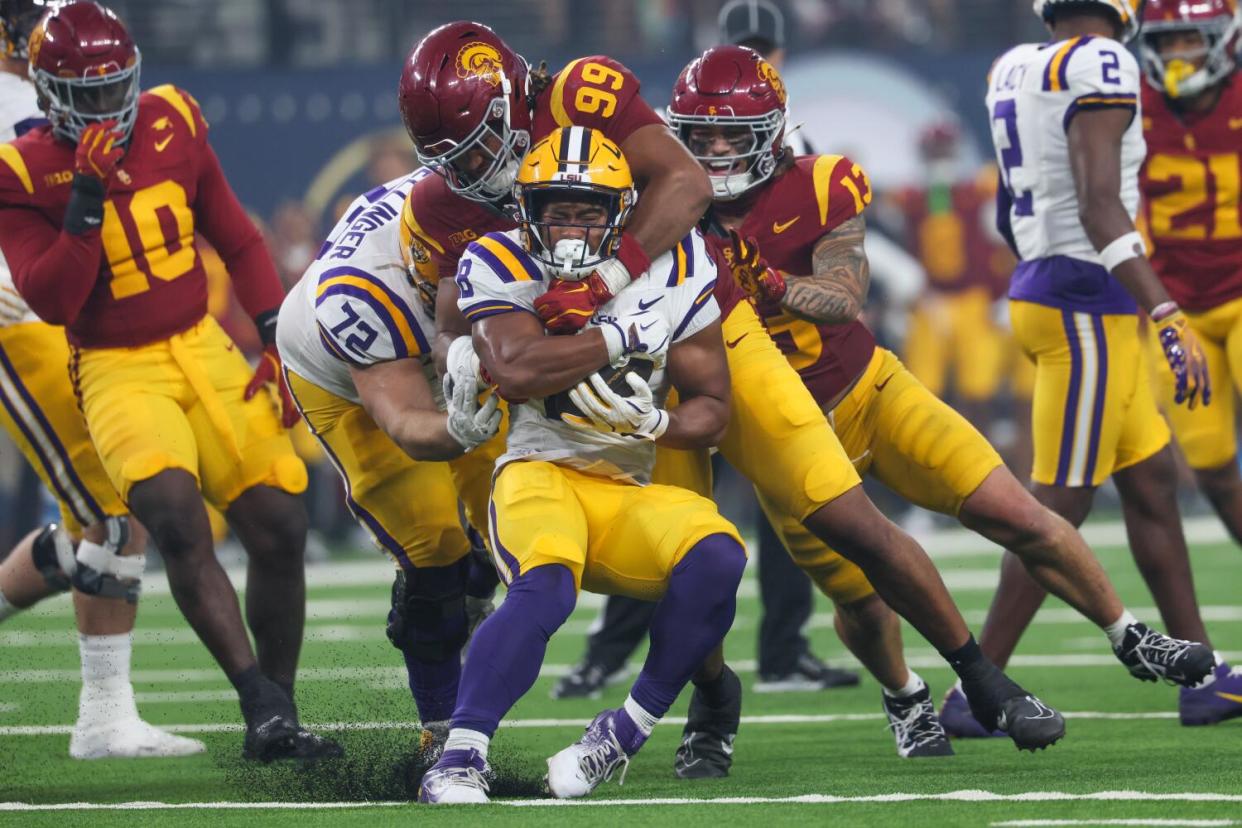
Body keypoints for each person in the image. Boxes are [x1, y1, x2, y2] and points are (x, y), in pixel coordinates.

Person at [402, 20, 1073, 768]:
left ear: (504, 106)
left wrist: (603, 284)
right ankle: (712, 696)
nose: (466, 174)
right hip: (582, 382)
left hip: (692, 321)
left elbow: (686, 182)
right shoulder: (438, 205)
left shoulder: (582, 92)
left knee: (845, 513)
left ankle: (979, 674)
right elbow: (450, 316)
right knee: (681, 559)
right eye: (446, 160)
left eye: (472, 150)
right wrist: (455, 358)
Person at [670, 42, 1214, 743]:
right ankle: (905, 695)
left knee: (1015, 511)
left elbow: (844, 296)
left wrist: (771, 285)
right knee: (861, 600)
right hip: (780, 438)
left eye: (730, 135)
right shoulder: (666, 219)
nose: (715, 151)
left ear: (770, 132)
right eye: (700, 135)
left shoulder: (822, 182)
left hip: (871, 390)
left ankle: (1131, 634)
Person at [0, 1, 338, 760]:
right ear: (49, 92)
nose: (105, 107)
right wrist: (84, 198)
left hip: (204, 347)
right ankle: (257, 702)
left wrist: (278, 343)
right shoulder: (23, 171)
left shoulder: (171, 118)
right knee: (173, 517)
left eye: (114, 86)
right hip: (118, 367)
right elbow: (54, 299)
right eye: (85, 94)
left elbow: (236, 235)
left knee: (281, 523)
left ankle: (279, 711)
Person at [418, 127, 748, 803]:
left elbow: (715, 407)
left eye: (588, 210)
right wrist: (619, 334)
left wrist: (661, 422)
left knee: (719, 555)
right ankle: (459, 757)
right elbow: (515, 369)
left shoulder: (678, 266)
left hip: (624, 485)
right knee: (546, 588)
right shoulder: (502, 258)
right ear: (527, 211)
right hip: (538, 471)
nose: (569, 226)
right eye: (555, 209)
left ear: (620, 214)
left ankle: (617, 736)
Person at [944, 0, 1235, 735]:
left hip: (1065, 288)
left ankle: (1203, 676)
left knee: (1152, 483)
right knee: (1057, 508)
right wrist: (1167, 313)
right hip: (1086, 300)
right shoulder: (1104, 61)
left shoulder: (1012, 64)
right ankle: (978, 690)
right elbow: (1101, 205)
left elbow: (1024, 207)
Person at [560, 0, 860, 702]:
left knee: (789, 503)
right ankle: (609, 653)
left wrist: (779, 281)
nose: (757, 60)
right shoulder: (677, 137)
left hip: (765, 346)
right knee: (664, 504)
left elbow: (836, 275)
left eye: (765, 50)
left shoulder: (801, 154)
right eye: (744, 47)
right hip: (690, 340)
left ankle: (784, 648)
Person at [0, 0, 202, 760]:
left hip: (69, 324)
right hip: (18, 324)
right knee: (117, 509)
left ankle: (105, 714)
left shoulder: (50, 91)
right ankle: (103, 717)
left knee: (104, 516)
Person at [276, 167, 502, 752]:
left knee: (515, 525)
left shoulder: (491, 197)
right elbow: (404, 423)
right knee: (434, 554)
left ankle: (479, 578)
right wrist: (462, 427)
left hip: (445, 364)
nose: (459, 291)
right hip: (357, 383)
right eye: (447, 275)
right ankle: (442, 735)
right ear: (416, 255)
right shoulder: (362, 291)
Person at [1134, 0, 1242, 725]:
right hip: (1176, 310)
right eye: (1165, 39)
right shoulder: (1130, 105)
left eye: (1187, 38)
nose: (1175, 52)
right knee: (1210, 467)